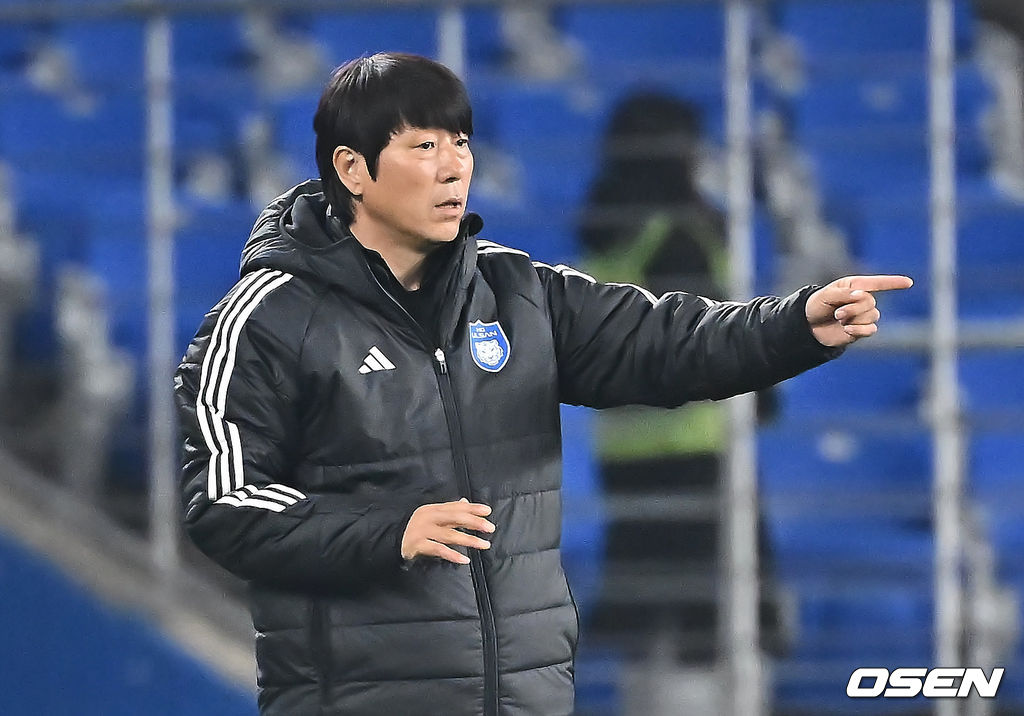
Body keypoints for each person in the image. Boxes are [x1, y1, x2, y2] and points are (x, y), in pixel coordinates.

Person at [174, 52, 912, 716]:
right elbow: (225, 498)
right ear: (353, 169)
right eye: (424, 146)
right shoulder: (269, 319)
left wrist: (794, 325)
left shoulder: (515, 291)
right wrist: (388, 533)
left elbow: (664, 339)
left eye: (462, 143)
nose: (454, 167)